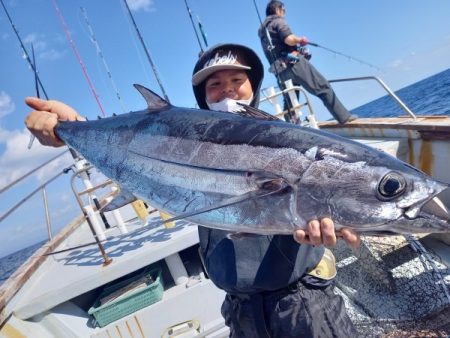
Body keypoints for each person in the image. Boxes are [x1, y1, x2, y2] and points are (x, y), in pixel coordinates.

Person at [25, 43, 361, 338]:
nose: (227, 90)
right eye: (215, 84)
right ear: (203, 96)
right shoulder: (191, 146)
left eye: (236, 81)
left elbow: (333, 193)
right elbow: (130, 147)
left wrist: (340, 216)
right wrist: (69, 125)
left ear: (253, 86)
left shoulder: (294, 143)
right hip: (239, 310)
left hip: (303, 304)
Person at [258, 0, 357, 125]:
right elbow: (289, 39)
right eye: (283, 10)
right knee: (323, 87)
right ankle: (344, 117)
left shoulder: (262, 31)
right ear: (278, 9)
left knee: (290, 103)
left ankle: (290, 129)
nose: (284, 13)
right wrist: (300, 39)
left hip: (280, 72)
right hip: (294, 64)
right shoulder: (278, 21)